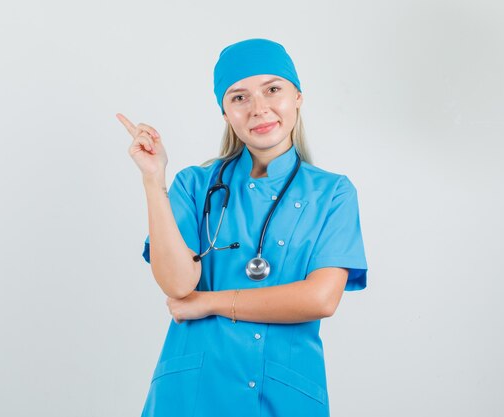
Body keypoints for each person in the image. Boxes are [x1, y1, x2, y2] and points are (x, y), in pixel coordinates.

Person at [117, 38, 368, 417]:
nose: (258, 109)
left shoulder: (333, 193)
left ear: (298, 96)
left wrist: (209, 303)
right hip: (192, 393)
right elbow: (177, 283)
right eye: (239, 97)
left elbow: (320, 299)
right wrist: (154, 179)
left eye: (273, 89)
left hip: (284, 394)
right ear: (225, 113)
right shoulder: (194, 185)